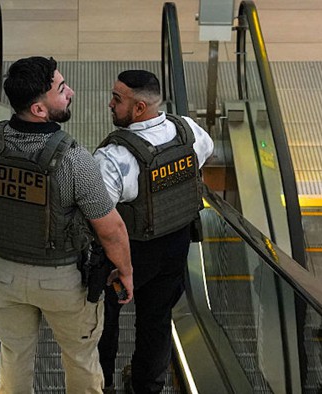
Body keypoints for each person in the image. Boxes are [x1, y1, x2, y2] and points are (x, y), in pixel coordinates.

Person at [0, 56, 134, 394]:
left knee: (14, 354)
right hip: (63, 279)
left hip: (2, 272)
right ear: (38, 109)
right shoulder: (74, 160)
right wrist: (125, 270)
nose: (72, 92)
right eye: (62, 89)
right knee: (80, 357)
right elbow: (111, 229)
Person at [94, 70, 213, 393]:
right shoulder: (188, 130)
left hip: (129, 252)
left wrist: (121, 265)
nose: (109, 104)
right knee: (157, 320)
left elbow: (100, 217)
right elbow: (204, 153)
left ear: (139, 108)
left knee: (105, 323)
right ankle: (148, 385)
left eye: (117, 100)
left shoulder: (114, 156)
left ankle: (101, 384)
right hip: (176, 242)